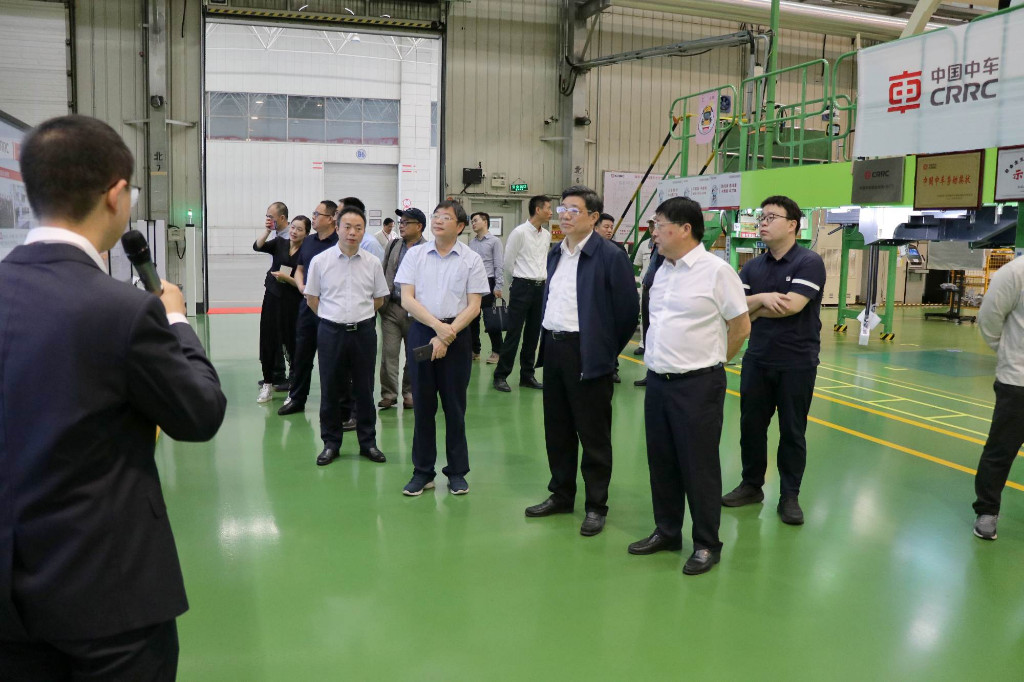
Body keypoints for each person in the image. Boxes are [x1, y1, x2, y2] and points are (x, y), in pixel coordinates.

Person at [0, 114, 226, 678]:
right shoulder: (124, 311)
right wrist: (177, 320)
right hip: (109, 595)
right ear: (116, 195)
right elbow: (199, 414)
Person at [628, 197, 749, 576]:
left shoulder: (717, 272)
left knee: (699, 467)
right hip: (658, 382)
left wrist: (714, 362)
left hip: (698, 385)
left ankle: (706, 543)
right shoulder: (660, 269)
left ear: (684, 229)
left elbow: (740, 326)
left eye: (659, 224)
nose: (653, 231)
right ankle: (667, 531)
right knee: (662, 462)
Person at [524, 186, 639, 537]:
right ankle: (561, 494)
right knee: (557, 429)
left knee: (593, 434)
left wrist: (604, 350)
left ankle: (595, 505)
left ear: (593, 217)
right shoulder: (556, 253)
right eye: (562, 209)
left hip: (589, 353)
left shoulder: (610, 256)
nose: (565, 215)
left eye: (574, 210)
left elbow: (627, 313)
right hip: (554, 349)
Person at [721, 195, 825, 526]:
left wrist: (754, 307)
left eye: (771, 217)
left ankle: (789, 496)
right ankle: (751, 485)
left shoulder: (809, 262)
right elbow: (734, 310)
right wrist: (765, 299)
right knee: (751, 427)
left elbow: (791, 306)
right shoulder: (752, 266)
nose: (763, 223)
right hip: (758, 359)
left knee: (792, 431)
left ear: (792, 225)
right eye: (761, 218)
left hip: (797, 362)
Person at [394, 200, 489, 496]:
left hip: (457, 335)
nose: (437, 221)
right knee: (423, 406)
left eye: (445, 217)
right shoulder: (416, 255)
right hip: (424, 331)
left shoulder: (471, 259)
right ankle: (423, 472)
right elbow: (407, 299)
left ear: (459, 227)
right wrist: (438, 329)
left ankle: (457, 472)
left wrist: (447, 334)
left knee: (455, 407)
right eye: (436, 216)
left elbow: (474, 305)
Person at [305, 206, 389, 466]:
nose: (353, 232)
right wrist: (333, 317)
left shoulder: (372, 263)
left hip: (363, 332)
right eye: (348, 227)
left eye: (358, 228)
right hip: (331, 332)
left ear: (364, 231)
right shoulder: (321, 261)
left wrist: (358, 315)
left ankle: (368, 443)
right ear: (337, 228)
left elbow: (379, 299)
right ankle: (331, 443)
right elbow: (312, 299)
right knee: (331, 388)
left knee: (365, 389)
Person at [971, 254, 1024, 540]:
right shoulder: (1015, 273)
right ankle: (987, 510)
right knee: (1001, 450)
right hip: (1018, 382)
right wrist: (1007, 354)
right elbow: (989, 319)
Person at [279, 200, 345, 418]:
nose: (313, 217)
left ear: (331, 219)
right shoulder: (308, 241)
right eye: (314, 214)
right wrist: (301, 286)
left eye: (317, 214)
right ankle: (297, 399)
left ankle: (335, 404)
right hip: (308, 307)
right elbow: (300, 269)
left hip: (331, 309)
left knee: (332, 359)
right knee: (302, 355)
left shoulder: (340, 243)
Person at [493, 194, 552, 392]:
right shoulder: (519, 233)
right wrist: (516, 283)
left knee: (533, 334)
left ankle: (527, 375)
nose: (551, 212)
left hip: (540, 288)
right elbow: (508, 263)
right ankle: (501, 376)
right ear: (538, 210)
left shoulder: (546, 235)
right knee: (514, 333)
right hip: (521, 286)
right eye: (548, 208)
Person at [254, 208, 309, 403]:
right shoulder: (279, 243)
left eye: (300, 229)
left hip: (292, 301)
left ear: (306, 234)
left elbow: (305, 285)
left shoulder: (306, 252)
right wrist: (267, 231)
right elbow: (258, 246)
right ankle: (268, 384)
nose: (294, 232)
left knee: (292, 343)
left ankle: (293, 389)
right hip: (272, 296)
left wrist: (288, 279)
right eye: (293, 227)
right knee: (268, 340)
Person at [378, 208, 427, 410]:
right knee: (389, 353)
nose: (402, 226)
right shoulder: (393, 245)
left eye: (407, 222)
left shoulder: (428, 249)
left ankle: (409, 392)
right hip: (391, 307)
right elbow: (384, 271)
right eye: (401, 222)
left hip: (415, 311)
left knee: (413, 353)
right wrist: (381, 301)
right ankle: (389, 394)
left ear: (419, 226)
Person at [255, 201, 290, 392]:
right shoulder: (276, 236)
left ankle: (290, 377)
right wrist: (268, 231)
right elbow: (257, 246)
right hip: (274, 289)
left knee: (285, 335)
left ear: (282, 218)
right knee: (271, 333)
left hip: (285, 292)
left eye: (271, 217)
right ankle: (276, 374)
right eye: (267, 216)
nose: (268, 220)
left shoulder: (290, 237)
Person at [467, 210, 505, 363]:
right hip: (473, 283)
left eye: (475, 220)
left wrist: (498, 285)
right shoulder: (472, 243)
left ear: (485, 222)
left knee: (491, 319)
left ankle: (497, 351)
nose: (473, 223)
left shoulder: (495, 241)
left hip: (489, 283)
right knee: (472, 319)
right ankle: (475, 350)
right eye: (472, 221)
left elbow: (499, 265)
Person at [632, 232, 664, 387]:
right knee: (648, 335)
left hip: (657, 294)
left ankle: (657, 374)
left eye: (660, 225)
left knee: (658, 335)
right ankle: (650, 372)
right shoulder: (654, 247)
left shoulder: (668, 251)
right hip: (647, 291)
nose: (655, 232)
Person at [338, 196, 384, 263]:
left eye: (338, 213)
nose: (334, 218)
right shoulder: (340, 239)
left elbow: (378, 267)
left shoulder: (370, 244)